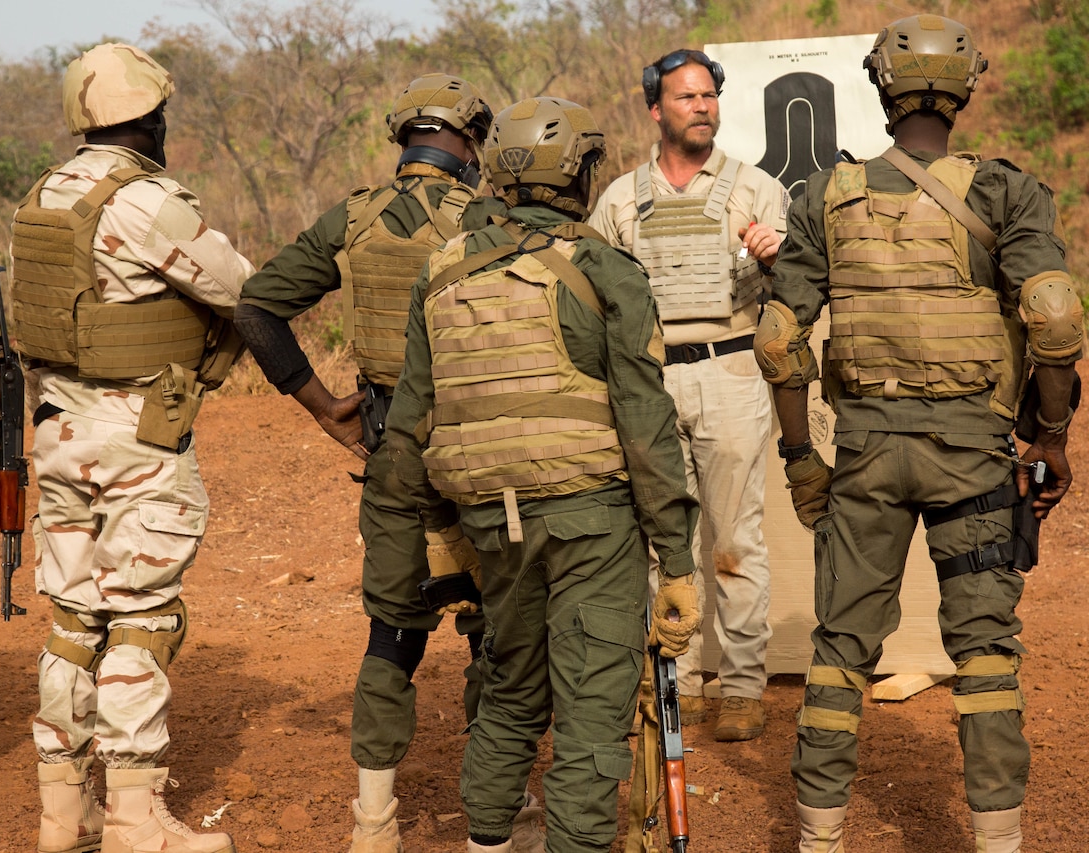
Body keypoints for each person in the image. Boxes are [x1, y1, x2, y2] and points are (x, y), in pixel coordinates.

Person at [754, 15, 1081, 852]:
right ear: (965, 88)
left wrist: (801, 459)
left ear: (880, 87)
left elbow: (779, 338)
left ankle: (818, 836)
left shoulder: (825, 195)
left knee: (837, 653)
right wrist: (1050, 439)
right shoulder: (1006, 191)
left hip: (865, 456)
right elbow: (1052, 316)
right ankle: (999, 839)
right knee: (982, 656)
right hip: (971, 455)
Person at [385, 96, 701, 853]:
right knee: (592, 720)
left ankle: (488, 844)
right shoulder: (601, 268)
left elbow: (411, 422)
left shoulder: (442, 271)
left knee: (511, 696)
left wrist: (433, 533)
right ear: (581, 173)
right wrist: (680, 562)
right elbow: (646, 426)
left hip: (493, 524)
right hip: (592, 521)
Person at [231, 72, 517, 852]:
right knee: (500, 628)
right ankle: (500, 808)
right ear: (470, 140)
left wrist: (324, 407)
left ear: (405, 140)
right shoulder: (488, 217)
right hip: (482, 451)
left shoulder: (354, 218)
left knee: (393, 630)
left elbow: (255, 306)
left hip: (392, 447)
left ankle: (374, 823)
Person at [9, 43, 255, 853]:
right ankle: (134, 816)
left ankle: (62, 812)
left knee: (74, 618)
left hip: (57, 434)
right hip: (138, 437)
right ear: (149, 121)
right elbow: (239, 286)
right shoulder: (147, 200)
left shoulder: (40, 195)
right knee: (143, 620)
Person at [589, 48, 791, 742]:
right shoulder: (618, 200)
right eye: (686, 97)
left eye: (709, 95)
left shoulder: (757, 189)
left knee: (735, 541)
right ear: (655, 109)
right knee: (661, 542)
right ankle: (681, 677)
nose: (702, 107)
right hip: (649, 381)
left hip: (732, 371)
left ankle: (741, 686)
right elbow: (589, 297)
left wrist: (777, 258)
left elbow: (800, 291)